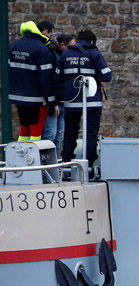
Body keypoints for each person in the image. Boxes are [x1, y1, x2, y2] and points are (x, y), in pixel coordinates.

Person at [60, 28, 112, 173]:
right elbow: (107, 76)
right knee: (91, 133)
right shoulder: (94, 54)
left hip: (71, 99)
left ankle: (67, 162)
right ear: (92, 41)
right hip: (92, 100)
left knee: (70, 132)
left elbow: (58, 76)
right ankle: (89, 162)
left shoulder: (66, 54)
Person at [7, 20, 58, 141]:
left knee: (24, 130)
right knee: (36, 132)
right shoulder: (41, 49)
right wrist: (51, 102)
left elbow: (10, 72)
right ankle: (34, 153)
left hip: (19, 97)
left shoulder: (14, 46)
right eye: (50, 35)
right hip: (37, 99)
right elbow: (46, 78)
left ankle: (20, 153)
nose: (50, 38)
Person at [43, 31, 73, 150]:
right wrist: (53, 103)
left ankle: (54, 162)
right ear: (62, 45)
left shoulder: (60, 57)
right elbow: (50, 81)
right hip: (55, 102)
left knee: (58, 137)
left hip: (62, 101)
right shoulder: (53, 57)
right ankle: (47, 161)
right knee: (50, 135)